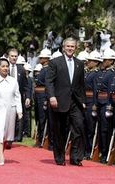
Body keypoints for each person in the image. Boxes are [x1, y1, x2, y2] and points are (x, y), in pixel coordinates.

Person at [45, 37, 86, 166]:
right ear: (63, 47)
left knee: (78, 128)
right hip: (59, 101)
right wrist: (51, 96)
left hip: (76, 102)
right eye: (68, 46)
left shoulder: (80, 64)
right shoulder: (55, 62)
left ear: (76, 48)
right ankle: (60, 157)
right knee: (60, 131)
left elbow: (81, 84)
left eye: (72, 46)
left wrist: (83, 101)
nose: (70, 48)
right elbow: (49, 81)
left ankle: (76, 158)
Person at [0, 58, 23, 166]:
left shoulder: (13, 81)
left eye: (7, 66)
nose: (5, 68)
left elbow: (17, 96)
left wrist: (19, 111)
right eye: (3, 66)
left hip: (11, 110)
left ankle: (0, 151)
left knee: (7, 135)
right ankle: (1, 156)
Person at [7, 48, 31, 146]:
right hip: (6, 97)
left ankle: (18, 136)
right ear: (8, 57)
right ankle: (8, 136)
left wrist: (28, 97)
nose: (14, 58)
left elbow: (26, 85)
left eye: (15, 56)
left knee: (19, 116)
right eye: (12, 56)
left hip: (18, 96)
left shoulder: (21, 69)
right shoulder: (4, 67)